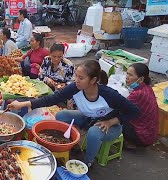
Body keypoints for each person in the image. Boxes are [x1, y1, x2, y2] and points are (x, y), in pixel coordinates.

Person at [8, 60, 140, 167]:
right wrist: (22, 104)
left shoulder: (109, 94)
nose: (76, 80)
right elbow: (51, 99)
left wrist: (111, 122)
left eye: (81, 77)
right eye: (76, 76)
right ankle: (73, 145)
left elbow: (134, 111)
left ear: (93, 80)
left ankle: (88, 162)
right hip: (88, 118)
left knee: (94, 132)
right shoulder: (75, 87)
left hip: (111, 126)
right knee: (61, 116)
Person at [123, 63, 159, 147]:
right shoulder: (147, 88)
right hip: (150, 134)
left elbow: (120, 108)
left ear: (141, 79)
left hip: (142, 136)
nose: (127, 77)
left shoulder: (138, 93)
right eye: (127, 73)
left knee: (114, 119)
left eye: (130, 75)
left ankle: (130, 143)